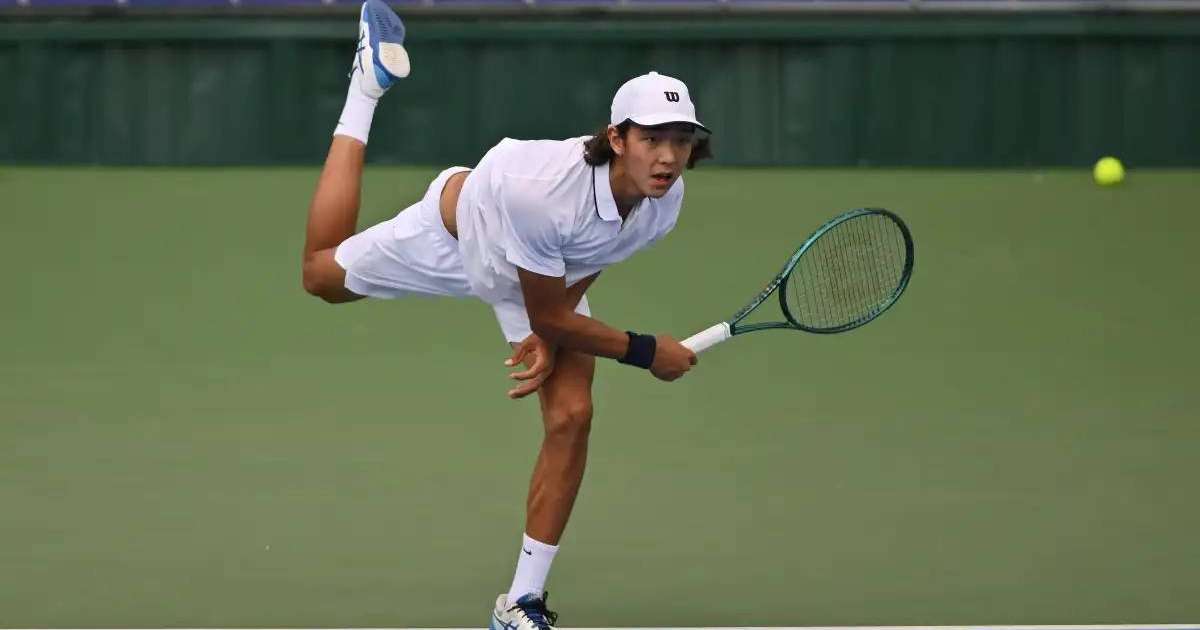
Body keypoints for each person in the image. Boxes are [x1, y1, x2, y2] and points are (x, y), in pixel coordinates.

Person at [300, 1, 712, 627]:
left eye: (680, 141)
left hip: (543, 276)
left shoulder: (665, 202)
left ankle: (520, 602)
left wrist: (558, 324)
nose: (666, 157)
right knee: (320, 276)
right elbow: (552, 308)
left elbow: (594, 252)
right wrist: (647, 351)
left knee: (573, 413)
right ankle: (365, 88)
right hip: (460, 235)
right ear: (617, 138)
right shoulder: (544, 195)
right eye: (651, 139)